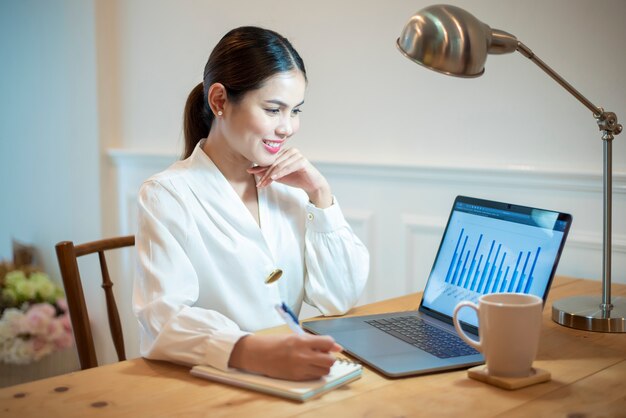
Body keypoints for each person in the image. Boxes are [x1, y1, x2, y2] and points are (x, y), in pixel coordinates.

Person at [133, 26, 369, 381]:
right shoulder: (167, 195)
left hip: (293, 379)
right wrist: (255, 352)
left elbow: (341, 298)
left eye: (295, 111)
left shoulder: (292, 190)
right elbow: (163, 318)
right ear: (219, 102)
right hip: (212, 383)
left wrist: (320, 195)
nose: (287, 127)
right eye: (274, 110)